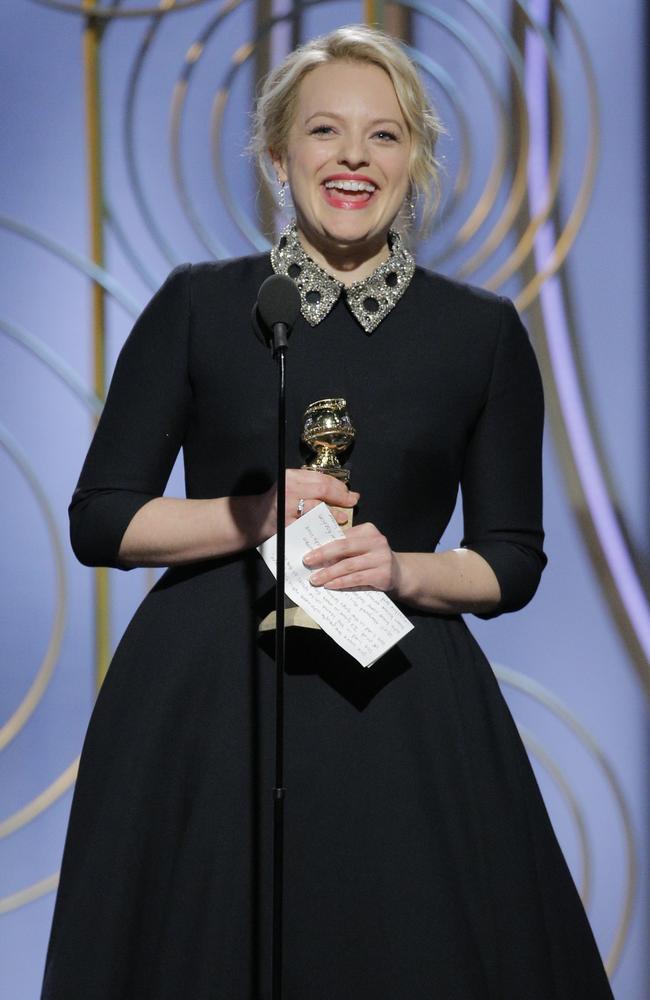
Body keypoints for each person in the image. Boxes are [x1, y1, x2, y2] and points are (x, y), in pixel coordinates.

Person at [42, 24, 614, 1000]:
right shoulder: (198, 305)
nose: (352, 156)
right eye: (323, 131)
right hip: (204, 705)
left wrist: (400, 571)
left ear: (415, 163)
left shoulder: (479, 333)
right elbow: (103, 519)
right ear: (278, 156)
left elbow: (510, 560)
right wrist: (251, 514)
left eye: (383, 136)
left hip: (397, 704)